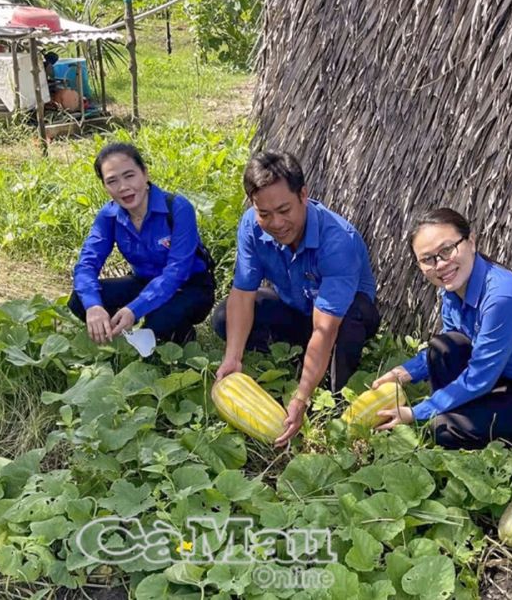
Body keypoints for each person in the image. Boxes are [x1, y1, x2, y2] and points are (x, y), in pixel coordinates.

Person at [370, 207, 512, 454]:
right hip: (508, 379)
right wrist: (406, 372)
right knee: (443, 347)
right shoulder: (452, 291)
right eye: (428, 259)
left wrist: (416, 412)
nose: (440, 264)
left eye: (446, 250)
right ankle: (473, 417)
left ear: (471, 242)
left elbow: (479, 377)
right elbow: (455, 345)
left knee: (443, 428)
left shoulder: (502, 298)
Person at [212, 150, 380, 446]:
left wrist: (302, 397)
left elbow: (325, 328)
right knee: (225, 317)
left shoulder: (339, 241)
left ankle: (335, 395)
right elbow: (242, 293)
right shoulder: (251, 226)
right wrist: (232, 358)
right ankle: (303, 359)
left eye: (284, 210)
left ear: (303, 195)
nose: (276, 223)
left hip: (343, 318)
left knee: (346, 325)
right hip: (297, 309)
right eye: (264, 213)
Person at [69, 143, 215, 344]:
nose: (123, 187)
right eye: (112, 181)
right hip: (143, 281)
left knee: (159, 321)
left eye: (129, 176)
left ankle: (181, 336)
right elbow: (86, 264)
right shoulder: (109, 215)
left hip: (188, 286)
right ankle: (116, 332)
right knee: (80, 300)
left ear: (145, 174)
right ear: (104, 186)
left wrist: (134, 309)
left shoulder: (178, 208)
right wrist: (94, 307)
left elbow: (176, 272)